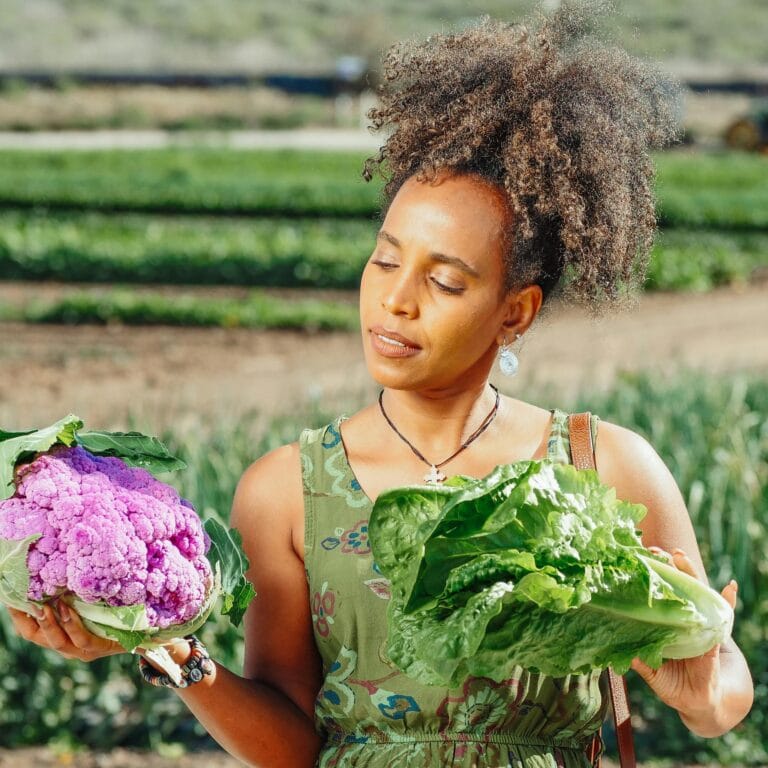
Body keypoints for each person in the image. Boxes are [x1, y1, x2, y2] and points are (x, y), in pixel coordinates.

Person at [6, 3, 754, 767]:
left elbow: (722, 687)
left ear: (515, 312)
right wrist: (169, 648)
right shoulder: (286, 491)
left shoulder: (607, 466)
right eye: (386, 259)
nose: (397, 299)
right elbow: (291, 747)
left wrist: (704, 692)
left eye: (447, 281)